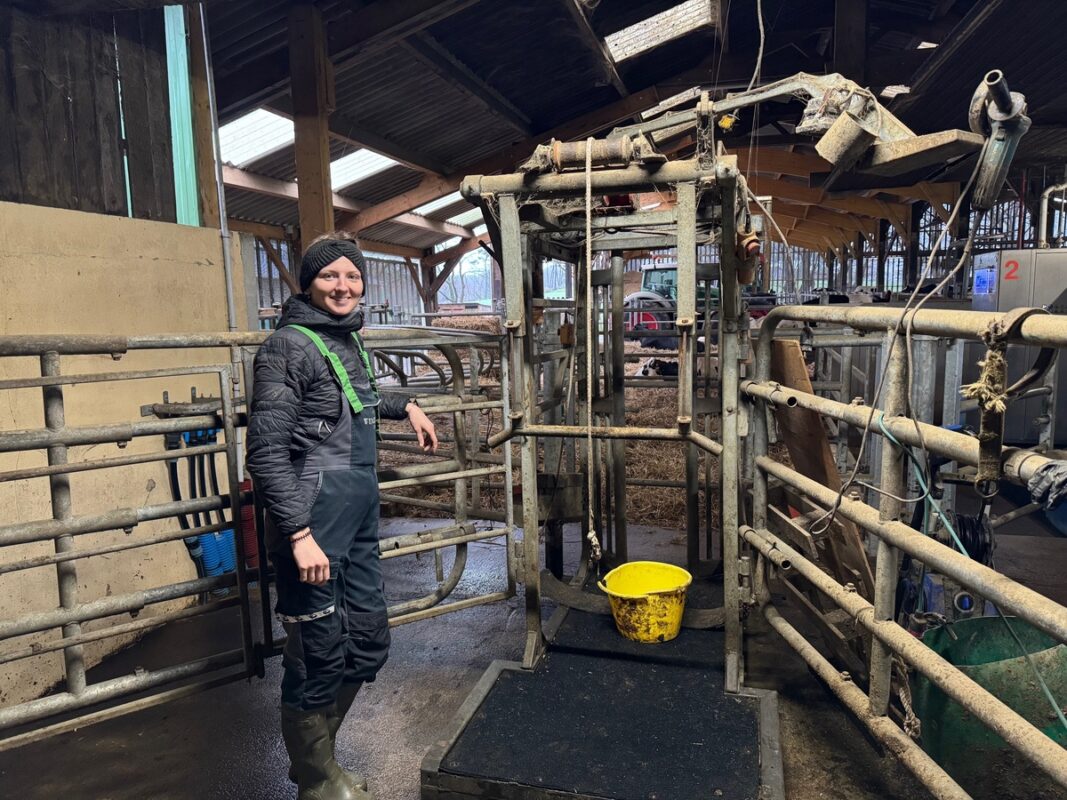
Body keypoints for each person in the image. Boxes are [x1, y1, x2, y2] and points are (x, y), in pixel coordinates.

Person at [247, 234, 438, 800]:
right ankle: (317, 778)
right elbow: (265, 452)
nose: (343, 286)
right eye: (330, 276)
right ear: (307, 282)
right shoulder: (287, 347)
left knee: (369, 640)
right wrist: (299, 534)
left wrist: (406, 404)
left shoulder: (345, 341)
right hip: (312, 521)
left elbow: (355, 400)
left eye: (351, 277)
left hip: (356, 521)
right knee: (318, 652)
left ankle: (314, 761)